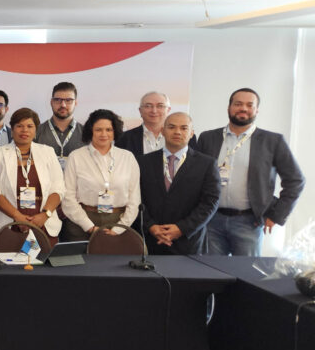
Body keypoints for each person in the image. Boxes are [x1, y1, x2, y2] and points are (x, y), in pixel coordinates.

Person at [197, 88, 305, 256]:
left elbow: (296, 180)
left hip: (249, 223)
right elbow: (195, 177)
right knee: (211, 270)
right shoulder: (207, 138)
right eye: (238, 104)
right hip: (211, 221)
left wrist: (277, 215)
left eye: (249, 105)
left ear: (256, 110)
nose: (243, 108)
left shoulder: (272, 141)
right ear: (229, 107)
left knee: (246, 271)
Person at [139, 112, 220, 255]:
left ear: (191, 133)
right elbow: (137, 199)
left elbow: (210, 202)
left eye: (184, 128)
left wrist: (182, 229)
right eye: (171, 127)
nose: (177, 132)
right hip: (151, 240)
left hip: (189, 242)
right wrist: (151, 226)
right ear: (162, 131)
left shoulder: (207, 164)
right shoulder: (143, 162)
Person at [0, 108, 65, 246]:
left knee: (43, 260)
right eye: (19, 126)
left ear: (36, 130)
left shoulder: (48, 152)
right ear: (12, 129)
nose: (24, 130)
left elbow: (58, 188)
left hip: (43, 225)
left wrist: (45, 215)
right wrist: (18, 217)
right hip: (8, 225)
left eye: (29, 126)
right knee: (7, 260)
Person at [61, 109, 141, 241]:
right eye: (98, 130)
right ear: (90, 131)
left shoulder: (127, 157)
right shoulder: (76, 156)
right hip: (81, 222)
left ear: (115, 131)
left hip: (118, 222)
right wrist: (89, 226)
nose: (104, 134)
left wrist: (119, 228)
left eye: (109, 130)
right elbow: (68, 196)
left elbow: (134, 199)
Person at [116, 91, 197, 161]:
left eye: (160, 106)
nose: (154, 111)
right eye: (148, 106)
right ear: (140, 111)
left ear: (168, 110)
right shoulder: (124, 138)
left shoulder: (187, 137)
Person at [35, 81, 85, 170]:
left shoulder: (86, 134)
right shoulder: (37, 132)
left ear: (75, 103)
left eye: (68, 100)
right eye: (58, 100)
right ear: (51, 102)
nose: (63, 105)